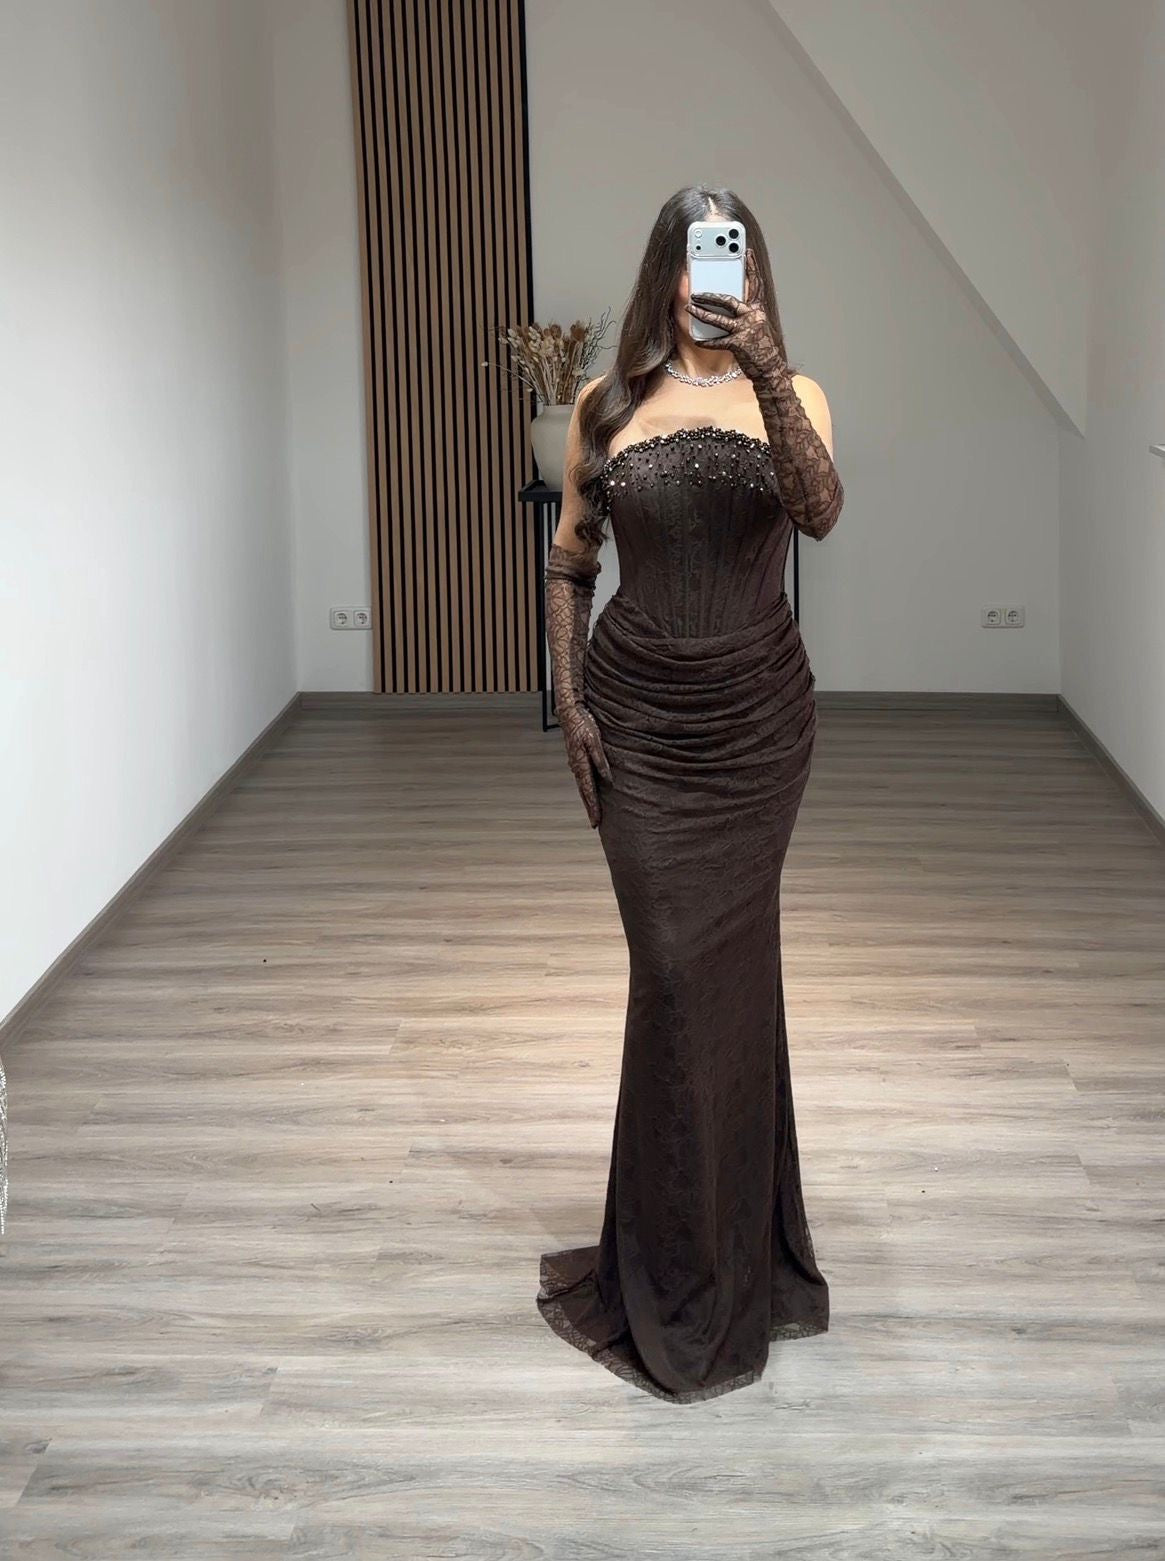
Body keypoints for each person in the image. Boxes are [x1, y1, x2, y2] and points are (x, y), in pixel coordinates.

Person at [535, 186, 844, 1403]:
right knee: (671, 975)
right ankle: (671, 1268)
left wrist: (764, 367)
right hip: (641, 728)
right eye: (700, 254)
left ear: (753, 272)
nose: (717, 275)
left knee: (731, 978)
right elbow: (570, 561)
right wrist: (571, 702)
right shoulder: (607, 406)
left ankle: (738, 1257)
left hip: (757, 726)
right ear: (666, 269)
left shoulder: (795, 393)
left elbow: (819, 513)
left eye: (738, 253)